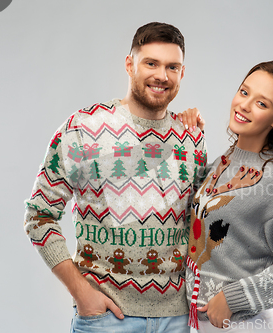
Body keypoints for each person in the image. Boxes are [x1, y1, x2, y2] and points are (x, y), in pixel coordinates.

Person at [23, 22, 207, 333]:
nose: (162, 75)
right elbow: (39, 216)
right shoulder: (82, 128)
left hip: (178, 318)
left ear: (182, 74)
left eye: (172, 67)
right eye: (151, 63)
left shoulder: (192, 138)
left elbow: (199, 224)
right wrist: (81, 293)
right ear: (129, 64)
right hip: (106, 318)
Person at [178, 60, 273, 332]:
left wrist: (232, 298)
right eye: (244, 92)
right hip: (198, 324)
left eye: (262, 103)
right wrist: (188, 140)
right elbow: (182, 209)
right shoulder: (222, 163)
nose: (244, 105)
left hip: (243, 326)